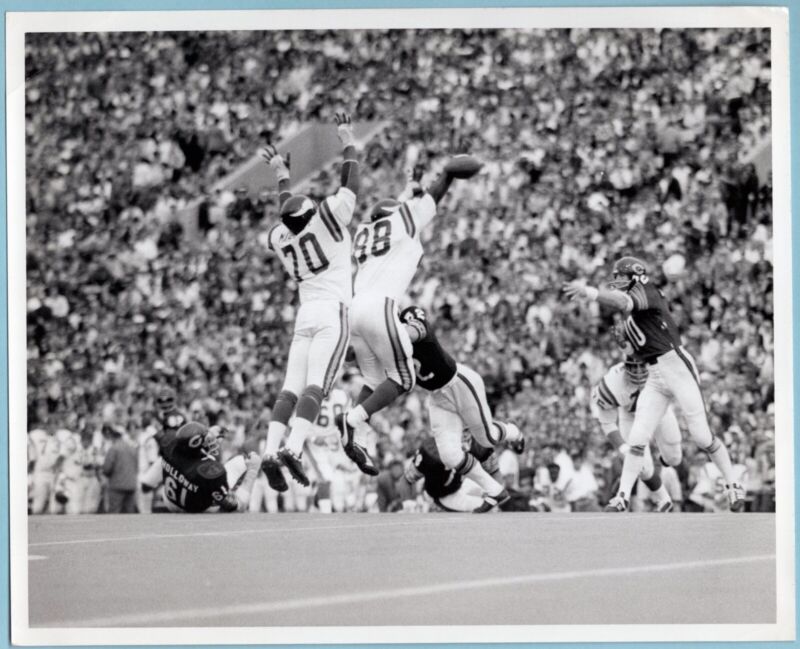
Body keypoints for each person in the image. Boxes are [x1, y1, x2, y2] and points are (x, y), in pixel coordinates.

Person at [563, 255, 745, 512]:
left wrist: (591, 292)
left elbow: (621, 301)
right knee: (637, 437)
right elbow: (636, 347)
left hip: (677, 366)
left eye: (621, 276)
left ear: (635, 276)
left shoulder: (645, 290)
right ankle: (622, 497)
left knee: (701, 435)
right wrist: (624, 343)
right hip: (655, 374)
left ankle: (733, 484)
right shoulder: (632, 316)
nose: (616, 281)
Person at [338, 155, 483, 473]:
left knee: (374, 379)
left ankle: (358, 431)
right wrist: (446, 175)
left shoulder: (365, 229)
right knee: (403, 378)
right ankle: (352, 419)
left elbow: (391, 209)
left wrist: (409, 187)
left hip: (354, 309)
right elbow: (430, 199)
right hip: (381, 306)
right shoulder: (401, 221)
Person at [258, 113, 367, 490]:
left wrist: (281, 176)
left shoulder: (280, 238)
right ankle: (294, 448)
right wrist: (347, 139)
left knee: (290, 387)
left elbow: (286, 211)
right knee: (316, 387)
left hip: (304, 313)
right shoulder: (328, 219)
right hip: (332, 310)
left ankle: (272, 451)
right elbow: (351, 182)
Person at [398, 304, 525, 511]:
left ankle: (514, 432)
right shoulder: (430, 452)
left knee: (487, 437)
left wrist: (391, 336)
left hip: (458, 383)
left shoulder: (412, 324)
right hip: (438, 397)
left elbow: (415, 330)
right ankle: (494, 491)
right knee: (450, 455)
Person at [591, 356, 682, 512]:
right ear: (626, 367)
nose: (639, 372)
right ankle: (661, 499)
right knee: (641, 466)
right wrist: (621, 447)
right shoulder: (613, 382)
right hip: (630, 417)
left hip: (658, 410)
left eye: (642, 367)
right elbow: (607, 422)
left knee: (674, 458)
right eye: (633, 368)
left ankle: (663, 459)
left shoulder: (661, 370)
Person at [140, 421, 261, 513]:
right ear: (197, 446)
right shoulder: (209, 471)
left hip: (170, 501)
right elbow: (234, 506)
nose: (211, 441)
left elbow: (170, 438)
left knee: (162, 462)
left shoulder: (170, 444)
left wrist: (206, 433)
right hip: (196, 508)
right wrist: (253, 470)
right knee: (242, 461)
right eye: (206, 440)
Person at [102, 427, 139, 514]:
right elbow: (136, 465)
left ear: (113, 437)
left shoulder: (113, 449)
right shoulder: (132, 448)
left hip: (117, 486)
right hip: (131, 484)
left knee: (114, 513)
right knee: (130, 513)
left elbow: (107, 468)